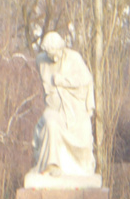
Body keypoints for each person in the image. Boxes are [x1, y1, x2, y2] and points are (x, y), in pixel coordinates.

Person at [29, 32, 96, 178]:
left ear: (62, 48)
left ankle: (81, 165)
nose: (54, 58)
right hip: (53, 108)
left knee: (83, 132)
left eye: (56, 54)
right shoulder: (41, 61)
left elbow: (86, 79)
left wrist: (63, 81)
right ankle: (52, 165)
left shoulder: (73, 58)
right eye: (50, 55)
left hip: (73, 109)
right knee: (50, 123)